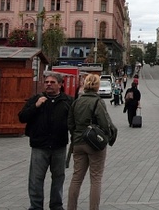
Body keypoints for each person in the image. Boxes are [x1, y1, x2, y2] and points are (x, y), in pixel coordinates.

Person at [18, 72, 73, 210]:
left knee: (58, 177)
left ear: (60, 84)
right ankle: (36, 206)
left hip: (59, 145)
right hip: (39, 146)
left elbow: (74, 122)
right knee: (36, 178)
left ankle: (56, 205)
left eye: (52, 82)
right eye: (47, 82)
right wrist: (35, 106)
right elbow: (22, 117)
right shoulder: (37, 99)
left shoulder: (68, 101)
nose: (48, 84)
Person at [67, 73, 116, 210]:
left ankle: (71, 207)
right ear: (97, 86)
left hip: (78, 143)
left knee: (76, 178)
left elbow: (70, 123)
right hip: (94, 143)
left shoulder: (76, 101)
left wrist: (75, 134)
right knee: (96, 178)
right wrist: (108, 136)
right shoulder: (97, 101)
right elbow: (105, 123)